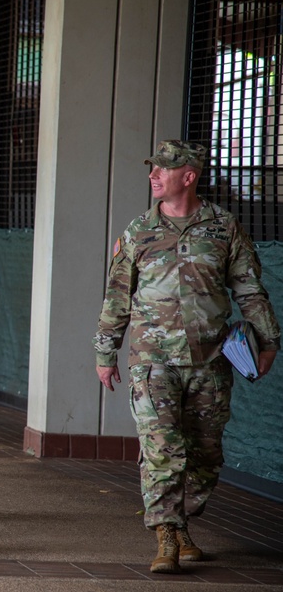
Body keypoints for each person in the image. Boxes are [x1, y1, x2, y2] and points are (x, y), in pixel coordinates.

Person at [94, 140, 280, 574]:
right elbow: (117, 297)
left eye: (163, 169)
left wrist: (268, 342)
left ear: (189, 176)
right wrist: (106, 351)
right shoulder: (138, 231)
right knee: (162, 448)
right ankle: (165, 534)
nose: (153, 176)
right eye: (153, 169)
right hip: (152, 360)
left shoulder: (223, 228)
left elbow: (249, 289)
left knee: (205, 454)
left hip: (211, 360)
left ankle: (181, 525)